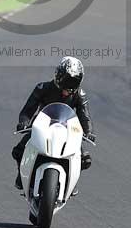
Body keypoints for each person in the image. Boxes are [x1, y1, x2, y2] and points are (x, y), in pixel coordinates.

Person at [12, 56, 95, 190]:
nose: (69, 86)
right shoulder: (42, 88)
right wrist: (24, 122)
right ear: (58, 75)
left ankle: (70, 182)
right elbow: (28, 110)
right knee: (18, 151)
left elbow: (84, 116)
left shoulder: (79, 94)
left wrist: (88, 132)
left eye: (74, 82)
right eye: (67, 80)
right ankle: (22, 175)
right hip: (41, 127)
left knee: (85, 159)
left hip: (67, 130)